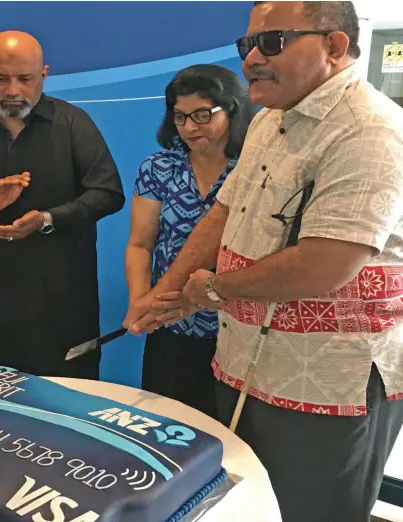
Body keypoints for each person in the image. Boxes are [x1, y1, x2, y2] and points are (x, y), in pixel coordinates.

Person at [124, 2, 403, 520]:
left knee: (308, 510)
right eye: (247, 45)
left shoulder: (370, 129)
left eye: (272, 42)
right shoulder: (271, 120)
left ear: (335, 47)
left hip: (327, 381)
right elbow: (225, 212)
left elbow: (326, 264)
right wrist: (169, 292)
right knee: (244, 502)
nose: (251, 58)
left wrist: (210, 292)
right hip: (246, 362)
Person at [0, 30, 124, 379]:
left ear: (44, 74)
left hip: (63, 292)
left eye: (26, 79)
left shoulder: (72, 124)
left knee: (69, 396)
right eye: (0, 79)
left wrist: (48, 218)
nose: (13, 90)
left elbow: (108, 192)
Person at [126, 64, 255, 418]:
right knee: (163, 428)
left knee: (227, 435)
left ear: (232, 109)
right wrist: (142, 300)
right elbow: (140, 244)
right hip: (170, 322)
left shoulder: (254, 168)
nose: (189, 128)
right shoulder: (158, 168)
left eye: (202, 114)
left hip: (235, 327)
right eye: (180, 117)